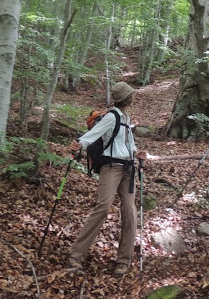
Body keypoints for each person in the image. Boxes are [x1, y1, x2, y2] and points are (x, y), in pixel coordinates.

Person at [67, 81, 146, 276]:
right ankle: (75, 255)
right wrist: (79, 144)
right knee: (102, 207)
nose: (134, 96)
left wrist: (137, 153)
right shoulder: (111, 117)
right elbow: (93, 135)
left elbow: (128, 144)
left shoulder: (126, 118)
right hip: (111, 167)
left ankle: (124, 260)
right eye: (131, 94)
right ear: (126, 98)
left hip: (128, 169)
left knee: (129, 211)